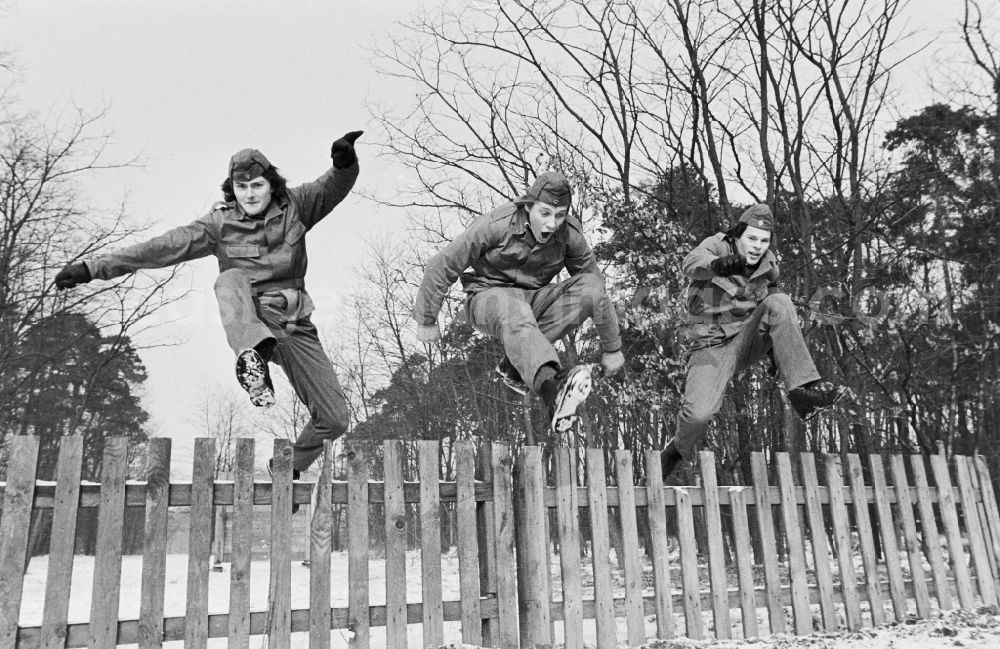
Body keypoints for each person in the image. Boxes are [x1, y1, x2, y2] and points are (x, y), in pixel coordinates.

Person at [55, 131, 363, 485]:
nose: (250, 195)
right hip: (249, 313)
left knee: (335, 417)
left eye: (258, 186)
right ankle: (254, 356)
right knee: (229, 280)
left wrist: (344, 162)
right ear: (232, 188)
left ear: (271, 185)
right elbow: (159, 248)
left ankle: (287, 467)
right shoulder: (218, 224)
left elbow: (333, 186)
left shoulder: (297, 205)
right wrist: (93, 268)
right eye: (242, 187)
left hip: (293, 323)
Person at [413, 171, 625, 434]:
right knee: (514, 308)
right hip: (487, 297)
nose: (552, 224)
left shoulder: (569, 235)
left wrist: (612, 347)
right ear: (529, 206)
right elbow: (442, 264)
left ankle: (515, 366)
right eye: (545, 213)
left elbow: (596, 290)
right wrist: (427, 318)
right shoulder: (496, 224)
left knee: (589, 286)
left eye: (559, 216)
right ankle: (551, 387)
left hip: (534, 299)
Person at [660, 203, 848, 478]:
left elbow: (773, 306)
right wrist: (717, 265)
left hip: (746, 338)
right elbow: (691, 263)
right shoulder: (717, 245)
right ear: (738, 235)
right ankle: (676, 450)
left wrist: (776, 349)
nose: (758, 246)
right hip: (711, 346)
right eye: (752, 239)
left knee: (780, 301)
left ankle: (802, 391)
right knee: (698, 414)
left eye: (764, 240)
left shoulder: (769, 264)